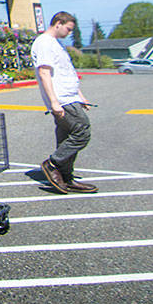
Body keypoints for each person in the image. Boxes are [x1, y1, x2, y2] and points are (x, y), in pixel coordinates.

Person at [33, 11, 97, 194]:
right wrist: (54, 102)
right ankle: (52, 164)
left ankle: (66, 177)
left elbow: (65, 72)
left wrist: (80, 96)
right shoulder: (44, 43)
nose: (69, 33)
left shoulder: (56, 44)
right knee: (82, 132)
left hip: (69, 97)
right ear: (58, 23)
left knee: (65, 139)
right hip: (62, 99)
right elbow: (45, 72)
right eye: (68, 29)